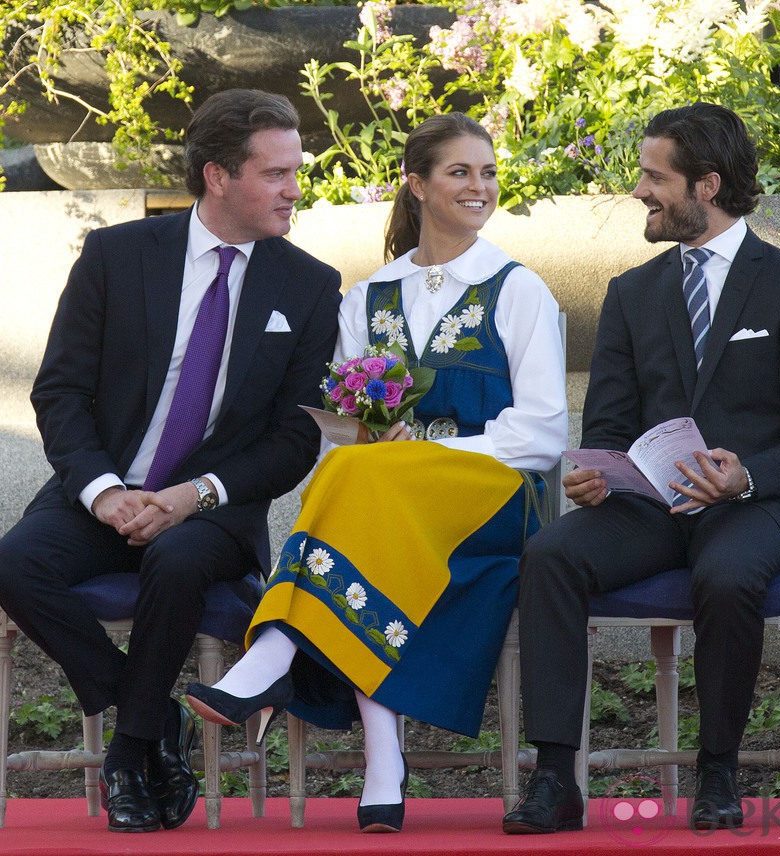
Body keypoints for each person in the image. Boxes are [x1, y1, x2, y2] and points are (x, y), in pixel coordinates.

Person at [186, 112, 568, 832]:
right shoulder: (367, 299)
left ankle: (274, 654)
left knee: (364, 483)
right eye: (459, 171)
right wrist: (370, 440)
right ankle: (382, 760)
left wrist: (424, 457)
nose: (478, 186)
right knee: (358, 482)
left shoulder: (517, 290)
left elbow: (545, 431)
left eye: (487, 172)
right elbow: (342, 427)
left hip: (492, 502)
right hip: (389, 509)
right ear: (416, 184)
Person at [0, 89, 342, 833]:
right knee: (14, 565)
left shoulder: (308, 286)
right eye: (275, 174)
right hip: (104, 491)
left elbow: (293, 439)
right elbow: (61, 392)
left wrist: (194, 496)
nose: (294, 189)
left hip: (210, 512)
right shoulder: (116, 257)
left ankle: (129, 752)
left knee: (175, 561)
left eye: (295, 171)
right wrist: (105, 492)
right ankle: (151, 719)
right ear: (218, 176)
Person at [502, 102, 780, 835]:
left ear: (708, 186)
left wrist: (743, 475)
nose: (639, 192)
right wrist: (595, 476)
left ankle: (717, 769)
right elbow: (608, 427)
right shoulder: (632, 293)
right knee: (550, 555)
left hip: (754, 506)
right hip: (647, 508)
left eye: (654, 178)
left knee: (726, 574)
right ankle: (557, 778)